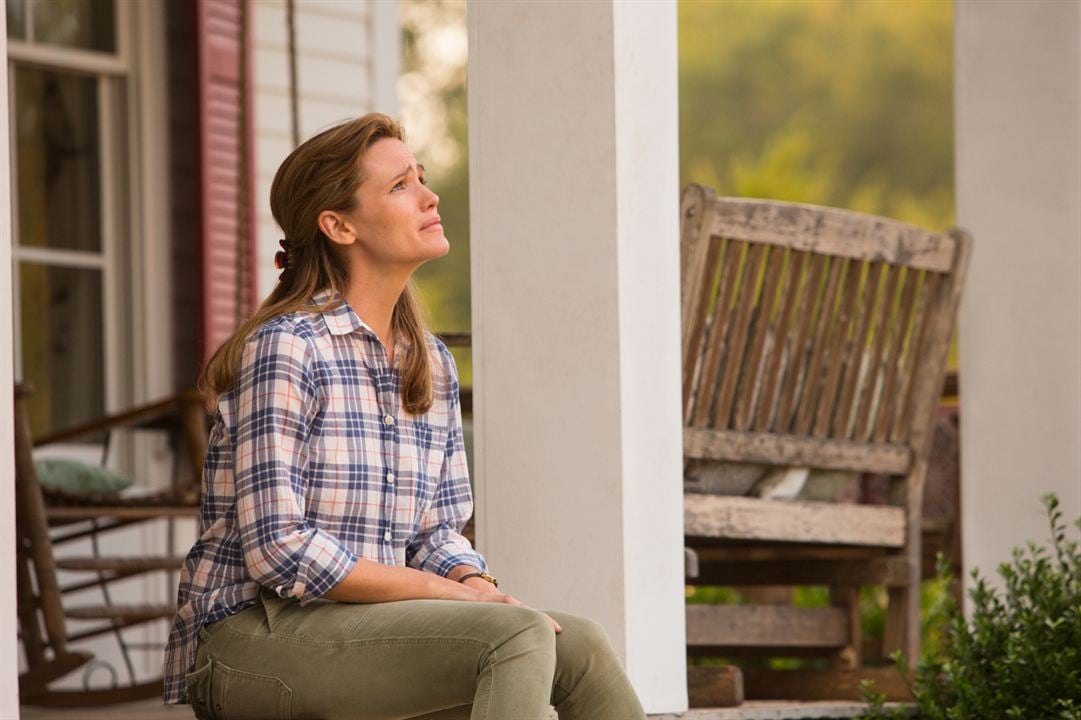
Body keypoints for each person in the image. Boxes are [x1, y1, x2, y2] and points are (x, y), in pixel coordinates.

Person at [163, 112, 647, 720]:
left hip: (365, 629)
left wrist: (475, 586)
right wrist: (447, 594)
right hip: (248, 637)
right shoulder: (288, 347)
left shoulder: (430, 361)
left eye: (419, 176)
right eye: (399, 186)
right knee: (516, 636)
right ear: (339, 225)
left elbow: (436, 532)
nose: (428, 194)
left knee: (581, 647)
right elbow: (279, 551)